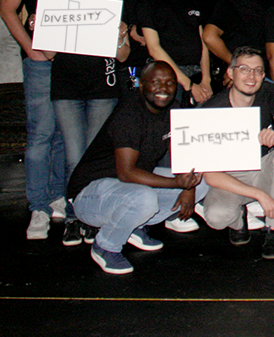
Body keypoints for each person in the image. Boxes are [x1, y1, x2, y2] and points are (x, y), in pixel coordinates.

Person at [68, 61, 210, 275]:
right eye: (156, 82)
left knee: (201, 183)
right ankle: (105, 246)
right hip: (89, 195)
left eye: (170, 83)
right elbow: (126, 173)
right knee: (143, 198)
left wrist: (188, 188)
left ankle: (134, 226)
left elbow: (184, 154)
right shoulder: (130, 114)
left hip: (126, 187)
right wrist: (176, 184)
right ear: (142, 85)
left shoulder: (174, 109)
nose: (164, 88)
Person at [0, 0, 76, 240]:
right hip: (42, 64)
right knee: (41, 136)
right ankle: (37, 208)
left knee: (63, 136)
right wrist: (31, 49)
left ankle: (57, 196)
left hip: (75, 65)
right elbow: (7, 9)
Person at [47, 0, 131, 245]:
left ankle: (92, 217)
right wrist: (39, 28)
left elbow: (122, 57)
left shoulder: (111, 4)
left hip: (102, 90)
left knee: (95, 160)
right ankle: (72, 217)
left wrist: (121, 35)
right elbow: (47, 53)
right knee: (73, 157)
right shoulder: (60, 5)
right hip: (67, 89)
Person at [198, 47, 274, 260]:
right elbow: (211, 175)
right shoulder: (211, 110)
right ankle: (238, 218)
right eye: (244, 69)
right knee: (216, 217)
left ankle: (273, 230)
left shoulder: (269, 92)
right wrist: (260, 195)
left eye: (257, 71)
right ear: (230, 73)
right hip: (230, 176)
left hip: (263, 167)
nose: (251, 76)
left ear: (263, 75)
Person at [137, 0, 212, 106]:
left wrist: (206, 79)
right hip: (168, 77)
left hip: (197, 74)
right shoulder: (147, 2)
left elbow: (202, 40)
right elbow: (154, 48)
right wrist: (187, 83)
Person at [202, 0, 269, 86]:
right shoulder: (227, 3)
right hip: (242, 78)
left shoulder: (260, 0)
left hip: (262, 73)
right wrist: (234, 64)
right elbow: (209, 36)